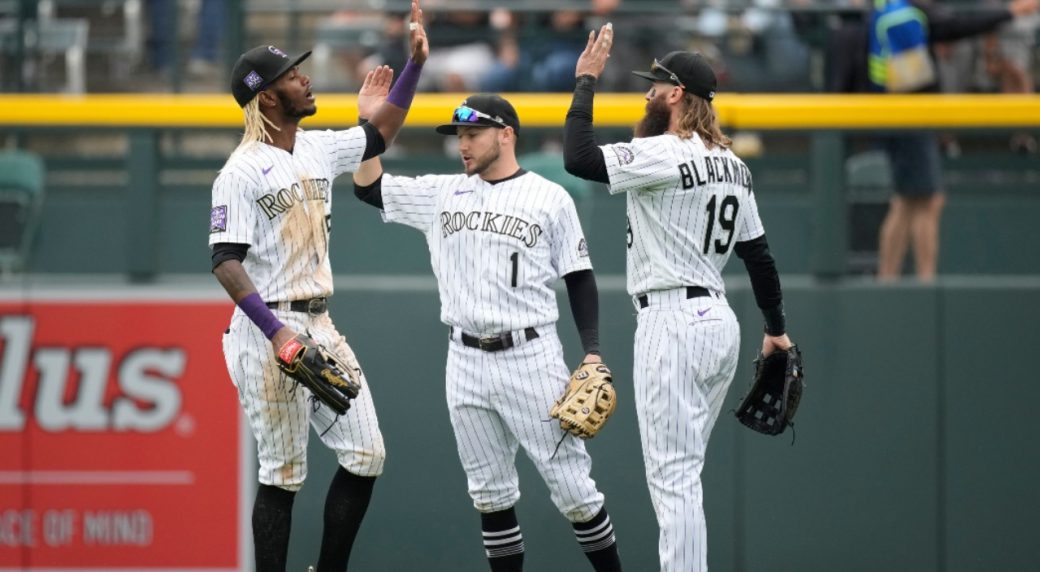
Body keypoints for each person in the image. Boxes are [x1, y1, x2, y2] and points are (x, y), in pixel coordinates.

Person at [351, 94, 622, 572]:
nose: (464, 145)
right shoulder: (443, 192)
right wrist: (367, 124)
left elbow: (579, 275)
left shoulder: (549, 197)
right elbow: (368, 188)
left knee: (575, 491)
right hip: (465, 360)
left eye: (473, 134)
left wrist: (593, 352)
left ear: (506, 134)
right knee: (490, 495)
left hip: (530, 357)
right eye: (459, 136)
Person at [563, 26, 794, 572]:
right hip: (721, 324)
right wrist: (776, 328)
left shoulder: (663, 153)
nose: (646, 92)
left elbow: (578, 157)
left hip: (672, 321)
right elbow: (757, 256)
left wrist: (586, 81)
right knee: (684, 473)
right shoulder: (735, 165)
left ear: (675, 95)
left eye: (655, 85)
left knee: (673, 478)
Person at [207, 2, 428, 570]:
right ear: (269, 97)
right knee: (282, 472)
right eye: (292, 74)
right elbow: (226, 262)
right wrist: (279, 334)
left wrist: (414, 67)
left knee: (367, 453)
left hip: (319, 322)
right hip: (267, 329)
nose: (305, 77)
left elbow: (377, 135)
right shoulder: (239, 171)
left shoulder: (315, 146)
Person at [794, 0, 1040, 282]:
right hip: (910, 117)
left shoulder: (878, 9)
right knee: (927, 201)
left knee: (908, 201)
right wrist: (1010, 11)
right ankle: (923, 281)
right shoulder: (911, 9)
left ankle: (890, 278)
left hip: (890, 115)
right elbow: (959, 25)